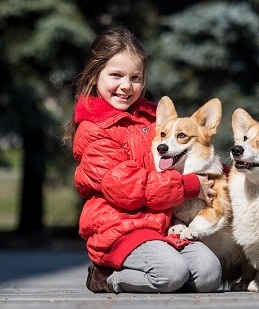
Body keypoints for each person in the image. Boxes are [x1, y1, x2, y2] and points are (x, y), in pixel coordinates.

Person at [63, 26, 222, 293]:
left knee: (209, 274)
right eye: (116, 75)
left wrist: (219, 172)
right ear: (95, 75)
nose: (126, 86)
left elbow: (185, 157)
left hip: (162, 224)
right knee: (170, 274)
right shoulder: (94, 129)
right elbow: (126, 187)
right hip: (118, 229)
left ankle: (162, 274)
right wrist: (189, 186)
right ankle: (107, 277)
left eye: (135, 77)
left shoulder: (152, 121)